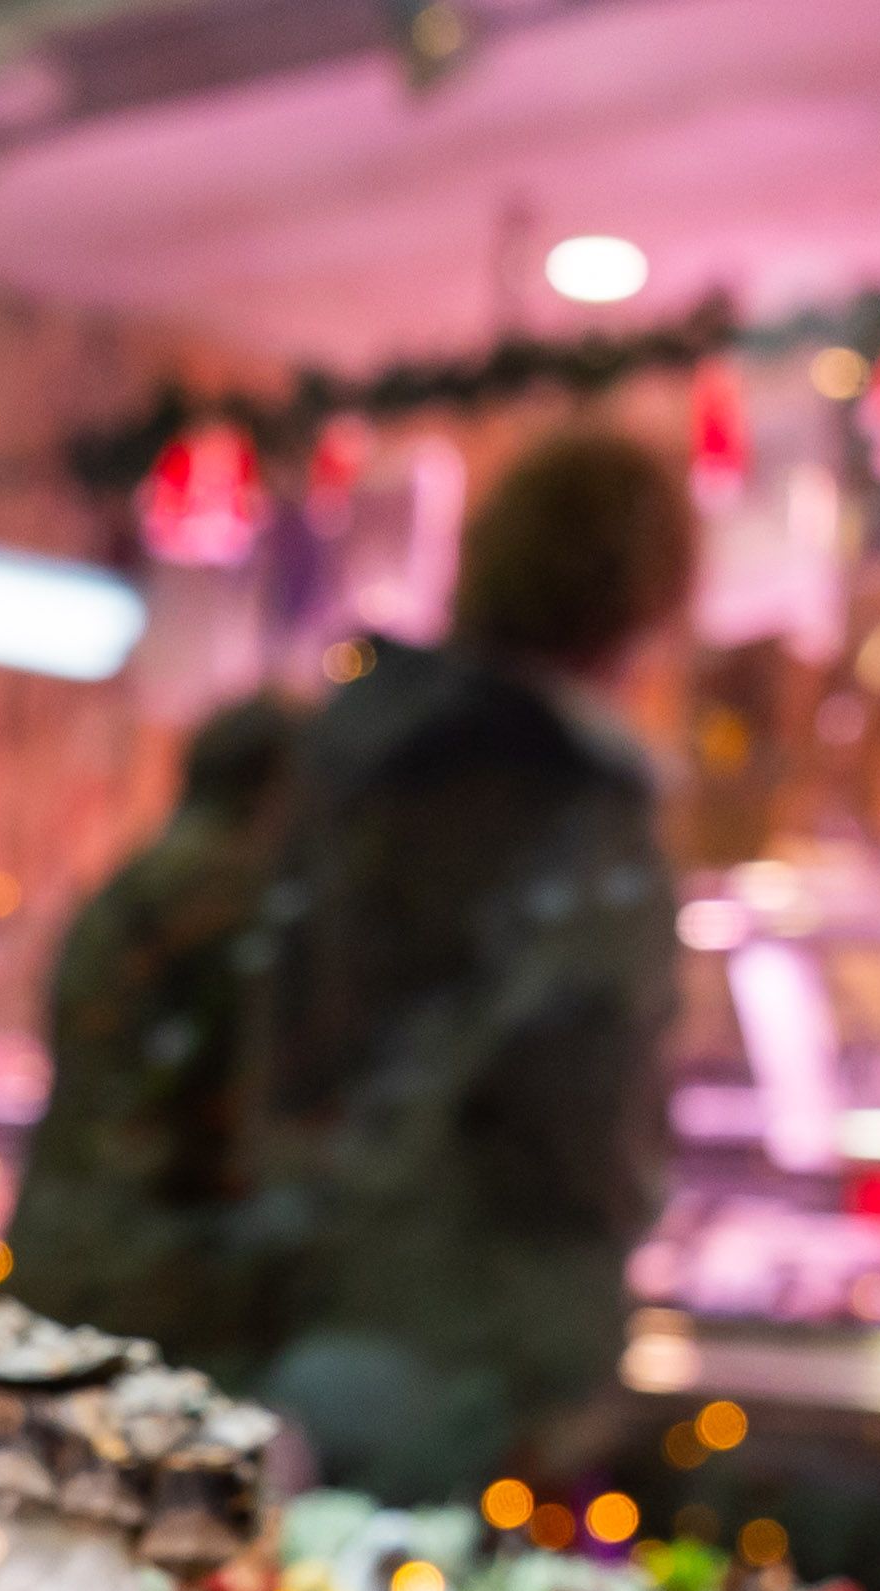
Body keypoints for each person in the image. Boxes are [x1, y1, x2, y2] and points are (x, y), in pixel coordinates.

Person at [216, 427, 698, 1497]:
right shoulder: (573, 792)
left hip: (320, 1288)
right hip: (484, 1326)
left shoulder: (354, 749)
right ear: (647, 594)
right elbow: (581, 1084)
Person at [3, 692, 303, 1379]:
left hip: (64, 1249)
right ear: (277, 791)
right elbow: (231, 1122)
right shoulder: (232, 903)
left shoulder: (132, 883)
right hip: (159, 1281)